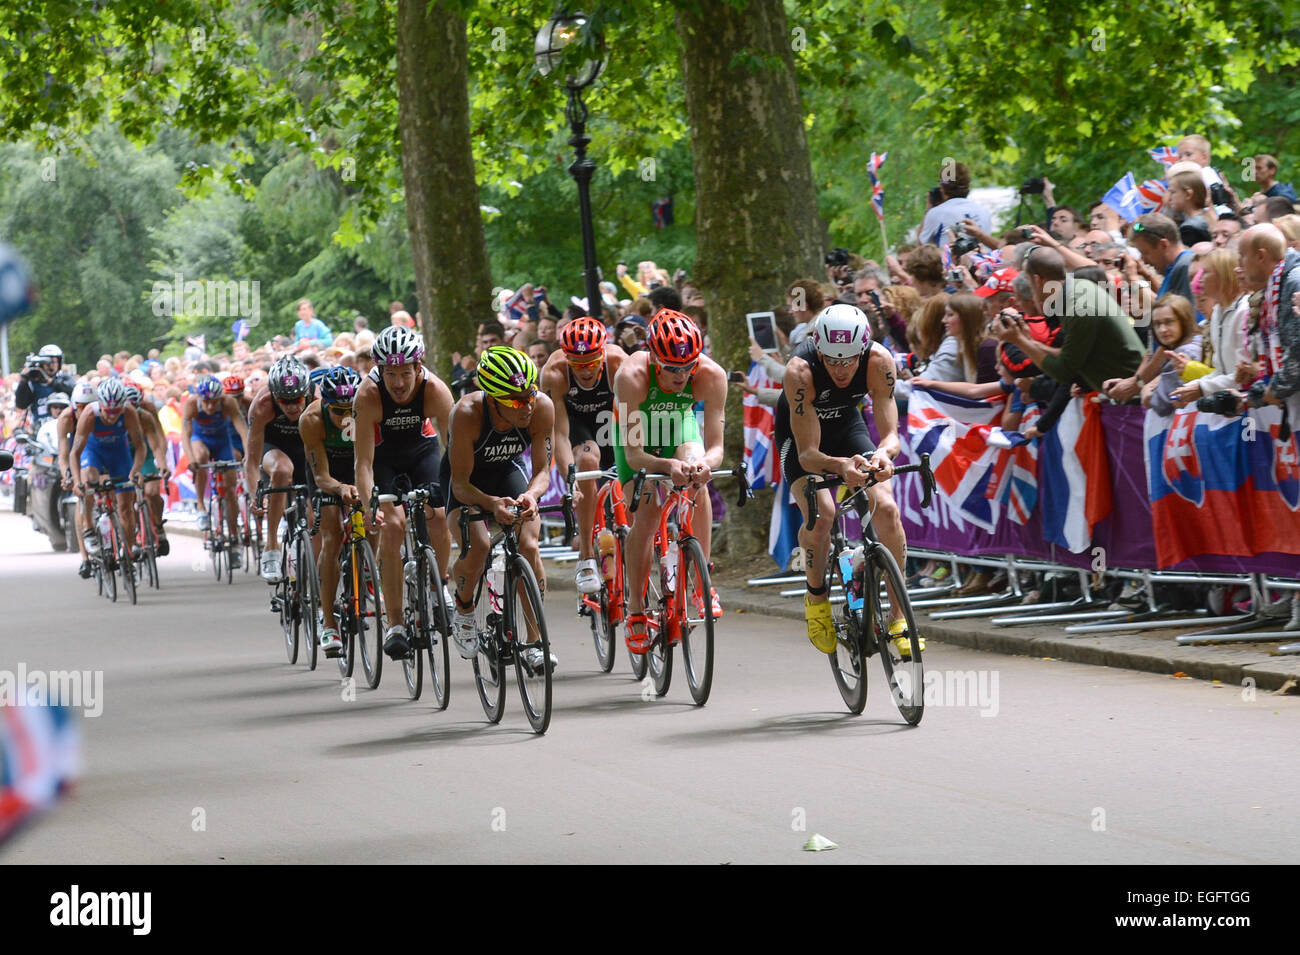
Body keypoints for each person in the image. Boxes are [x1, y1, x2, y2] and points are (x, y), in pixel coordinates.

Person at [772, 304, 912, 656]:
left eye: (849, 360)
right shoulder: (799, 371)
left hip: (848, 427)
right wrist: (840, 466)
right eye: (832, 360)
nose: (840, 369)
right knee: (822, 514)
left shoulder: (879, 361)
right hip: (803, 438)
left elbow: (891, 434)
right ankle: (816, 597)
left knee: (888, 509)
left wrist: (882, 454)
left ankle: (899, 618)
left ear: (862, 350)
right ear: (818, 349)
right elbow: (808, 455)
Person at [614, 311, 727, 653]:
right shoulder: (630, 376)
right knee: (646, 515)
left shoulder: (711, 375)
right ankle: (635, 610)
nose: (681, 376)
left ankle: (701, 582)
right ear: (654, 358)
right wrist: (665, 464)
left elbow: (717, 446)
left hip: (677, 426)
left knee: (697, 479)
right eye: (672, 368)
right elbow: (634, 454)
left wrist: (703, 464)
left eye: (687, 367)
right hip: (638, 439)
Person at [441, 346, 556, 672]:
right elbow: (460, 484)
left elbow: (543, 471)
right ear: (492, 399)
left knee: (529, 545)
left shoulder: (542, 407)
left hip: (507, 473)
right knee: (477, 545)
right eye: (516, 401)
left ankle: (535, 642)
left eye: (530, 394)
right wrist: (491, 504)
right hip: (467, 481)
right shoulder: (466, 413)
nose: (527, 405)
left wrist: (532, 496)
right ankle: (463, 611)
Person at [354, 326, 455, 660]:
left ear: (419, 367)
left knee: (439, 515)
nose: (398, 383)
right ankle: (396, 623)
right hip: (384, 460)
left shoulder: (435, 390)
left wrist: (456, 489)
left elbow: (455, 450)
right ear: (380, 371)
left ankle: (439, 585)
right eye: (390, 374)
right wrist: (370, 504)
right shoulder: (367, 395)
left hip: (421, 452)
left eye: (405, 374)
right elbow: (364, 463)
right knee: (393, 527)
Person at [540, 317, 628, 594]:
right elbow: (561, 434)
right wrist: (571, 476)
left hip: (612, 421)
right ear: (567, 359)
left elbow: (632, 420)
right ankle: (586, 556)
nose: (586, 370)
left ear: (603, 353)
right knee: (588, 460)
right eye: (578, 365)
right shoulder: (554, 373)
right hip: (577, 425)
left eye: (591, 362)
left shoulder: (617, 363)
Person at [993, 246, 1144, 393]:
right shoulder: (1079, 287)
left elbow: (1062, 372)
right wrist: (1029, 341)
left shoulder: (1079, 307)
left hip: (1130, 399)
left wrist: (1019, 340)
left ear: (1038, 280)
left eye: (1028, 280)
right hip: (1124, 394)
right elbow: (1066, 354)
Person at [299, 366, 363, 657]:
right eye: (338, 411)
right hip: (328, 473)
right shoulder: (312, 419)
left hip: (359, 465)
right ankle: (328, 623)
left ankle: (367, 580)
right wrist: (340, 489)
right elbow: (321, 476)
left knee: (375, 522)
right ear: (325, 404)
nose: (346, 416)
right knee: (331, 535)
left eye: (352, 409)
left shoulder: (369, 410)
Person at [245, 357, 313, 581]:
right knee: (283, 470)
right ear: (274, 395)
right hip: (273, 447)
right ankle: (272, 545)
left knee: (314, 517)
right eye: (285, 401)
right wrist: (255, 492)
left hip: (305, 446)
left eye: (298, 399)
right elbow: (252, 458)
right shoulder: (262, 404)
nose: (293, 406)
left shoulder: (318, 399)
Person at [70, 379, 146, 560]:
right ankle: (89, 527)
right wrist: (76, 481)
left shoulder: (129, 412)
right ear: (100, 405)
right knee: (89, 477)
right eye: (108, 411)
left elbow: (140, 446)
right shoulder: (89, 414)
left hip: (119, 453)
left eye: (116, 411)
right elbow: (75, 453)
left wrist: (135, 470)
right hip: (93, 450)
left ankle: (128, 551)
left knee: (126, 506)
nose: (112, 416)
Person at [182, 374, 250, 558]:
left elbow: (243, 430)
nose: (211, 406)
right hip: (200, 440)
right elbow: (186, 436)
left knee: (230, 490)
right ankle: (201, 506)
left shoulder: (228, 403)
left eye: (214, 402)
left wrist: (248, 454)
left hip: (222, 443)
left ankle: (234, 536)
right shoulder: (191, 404)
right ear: (200, 399)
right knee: (200, 457)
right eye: (206, 402)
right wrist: (191, 460)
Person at [123, 383, 172, 556]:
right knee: (126, 499)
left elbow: (156, 443)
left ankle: (158, 526)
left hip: (144, 452)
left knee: (151, 491)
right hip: (123, 454)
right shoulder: (116, 416)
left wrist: (163, 464)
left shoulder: (146, 413)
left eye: (136, 408)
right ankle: (135, 532)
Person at [56, 382, 98, 577]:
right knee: (83, 499)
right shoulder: (66, 418)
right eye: (80, 407)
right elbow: (64, 455)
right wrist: (68, 476)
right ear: (74, 406)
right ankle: (84, 557)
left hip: (97, 451)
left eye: (89, 406)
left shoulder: (99, 414)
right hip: (77, 454)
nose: (85, 410)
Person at [1137, 296, 1204, 415]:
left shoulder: (1184, 353)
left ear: (1184, 321)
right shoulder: (1193, 343)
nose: (1162, 330)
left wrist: (1145, 391)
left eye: (1169, 322)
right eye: (1157, 324)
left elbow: (1160, 403)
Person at [920, 161, 992, 245]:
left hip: (950, 258)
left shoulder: (936, 213)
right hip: (981, 257)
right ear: (968, 185)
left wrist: (928, 209)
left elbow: (921, 246)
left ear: (942, 187)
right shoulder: (984, 212)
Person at [15, 344, 76, 428]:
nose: (50, 365)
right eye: (46, 362)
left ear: (59, 363)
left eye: (53, 362)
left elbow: (73, 389)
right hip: (41, 429)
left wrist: (50, 381)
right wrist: (24, 381)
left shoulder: (64, 378)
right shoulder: (33, 383)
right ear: (41, 364)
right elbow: (21, 404)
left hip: (65, 426)